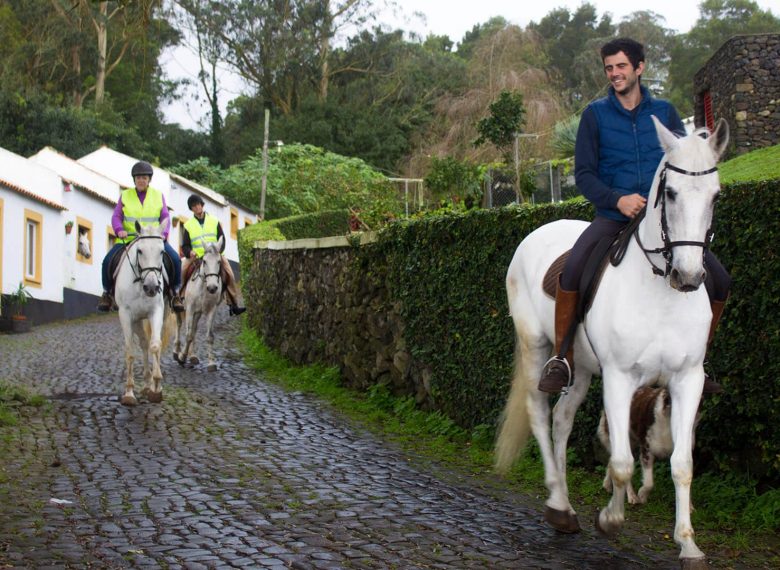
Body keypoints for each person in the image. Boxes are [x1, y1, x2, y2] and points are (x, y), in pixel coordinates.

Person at [538, 38, 730, 395]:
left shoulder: (667, 113)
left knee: (719, 279)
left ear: (639, 68)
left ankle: (696, 363)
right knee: (573, 270)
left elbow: (685, 163)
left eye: (621, 66)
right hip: (613, 217)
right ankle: (561, 357)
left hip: (663, 221)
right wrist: (617, 199)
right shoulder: (595, 115)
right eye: (609, 68)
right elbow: (584, 175)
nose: (614, 74)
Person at [98, 161, 184, 312]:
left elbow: (165, 217)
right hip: (129, 239)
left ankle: (175, 294)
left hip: (153, 239)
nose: (141, 180)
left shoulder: (158, 196)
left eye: (144, 177)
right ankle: (107, 294)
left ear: (149, 179)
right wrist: (119, 230)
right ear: (134, 180)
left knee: (175, 259)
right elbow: (116, 216)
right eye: (138, 178)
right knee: (107, 261)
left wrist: (163, 234)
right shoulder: (125, 195)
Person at [180, 194, 246, 316]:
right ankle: (181, 297)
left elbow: (223, 239)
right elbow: (185, 245)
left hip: (215, 256)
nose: (197, 207)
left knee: (230, 274)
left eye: (198, 204)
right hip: (197, 257)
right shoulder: (188, 225)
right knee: (183, 269)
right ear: (191, 209)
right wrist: (190, 252)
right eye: (194, 206)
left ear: (202, 205)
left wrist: (218, 252)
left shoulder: (214, 221)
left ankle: (233, 304)